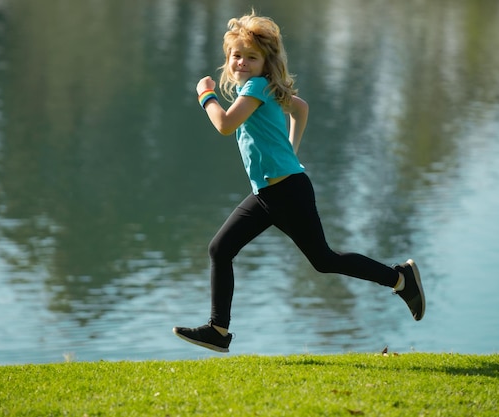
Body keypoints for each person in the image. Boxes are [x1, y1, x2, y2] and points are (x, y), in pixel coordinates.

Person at [173, 10, 425, 353]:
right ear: (228, 59)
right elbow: (301, 108)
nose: (242, 62)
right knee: (221, 249)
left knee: (325, 259)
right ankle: (218, 330)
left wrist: (207, 95)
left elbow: (225, 125)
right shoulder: (264, 89)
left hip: (287, 192)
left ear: (266, 63)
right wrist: (291, 152)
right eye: (237, 56)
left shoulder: (258, 87)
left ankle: (400, 278)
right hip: (268, 192)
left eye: (251, 57)